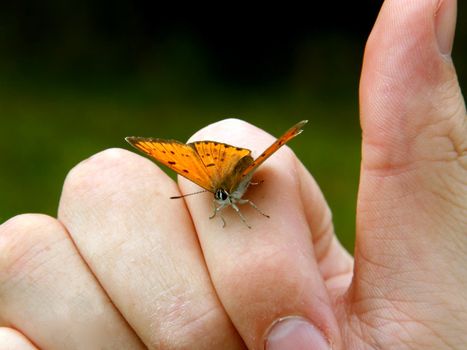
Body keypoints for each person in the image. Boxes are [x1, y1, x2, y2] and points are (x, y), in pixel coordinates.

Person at [1, 0, 465, 349]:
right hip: (229, 168)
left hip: (236, 167)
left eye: (221, 204)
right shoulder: (213, 193)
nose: (219, 207)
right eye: (219, 204)